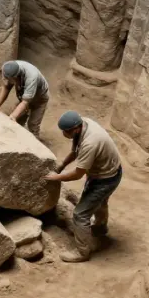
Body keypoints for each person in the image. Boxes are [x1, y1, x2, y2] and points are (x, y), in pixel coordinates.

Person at [45, 110, 122, 263]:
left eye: (66, 132)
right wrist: (61, 165)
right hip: (112, 171)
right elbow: (75, 150)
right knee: (101, 202)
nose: (63, 135)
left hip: (104, 178)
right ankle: (100, 228)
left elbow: (78, 174)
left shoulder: (90, 142)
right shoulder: (82, 123)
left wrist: (56, 177)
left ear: (75, 129)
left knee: (80, 214)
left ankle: (82, 252)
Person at [0, 60, 50, 139]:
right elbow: (6, 87)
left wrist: (13, 116)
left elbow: (25, 101)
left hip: (40, 98)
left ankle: (36, 145)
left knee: (32, 125)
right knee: (18, 120)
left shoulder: (31, 77)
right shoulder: (7, 68)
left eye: (8, 79)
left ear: (15, 77)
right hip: (23, 95)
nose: (5, 79)